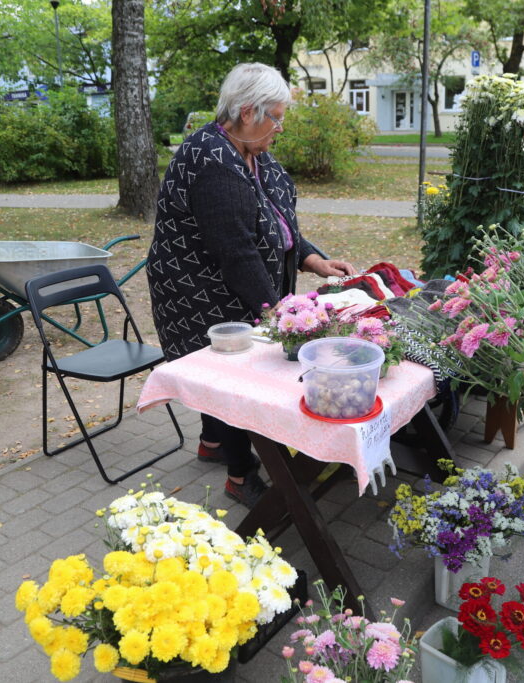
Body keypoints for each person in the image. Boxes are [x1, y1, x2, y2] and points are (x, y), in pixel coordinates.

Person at [146, 63, 356, 508]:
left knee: (223, 368)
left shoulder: (250, 151)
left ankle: (212, 444)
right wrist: (280, 313)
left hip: (232, 281)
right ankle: (240, 474)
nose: (279, 128)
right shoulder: (212, 161)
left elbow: (277, 219)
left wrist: (312, 258)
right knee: (234, 374)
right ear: (246, 112)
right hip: (197, 289)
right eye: (275, 117)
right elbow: (238, 252)